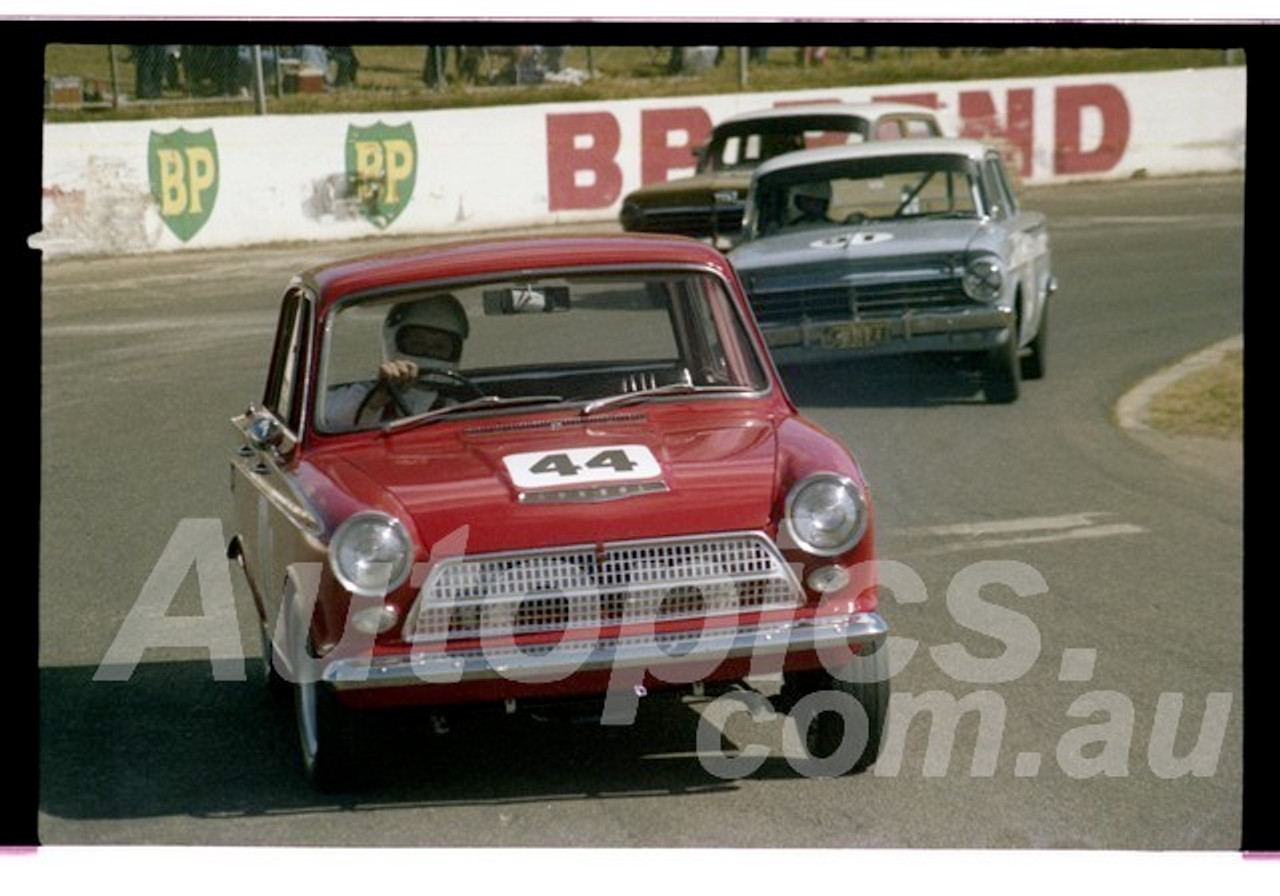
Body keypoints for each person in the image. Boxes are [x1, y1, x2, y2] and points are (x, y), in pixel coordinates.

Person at [324, 295, 470, 429]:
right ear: (394, 341)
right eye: (417, 343)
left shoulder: (454, 411)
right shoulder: (359, 396)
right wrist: (375, 403)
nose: (428, 353)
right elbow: (328, 419)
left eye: (439, 347)